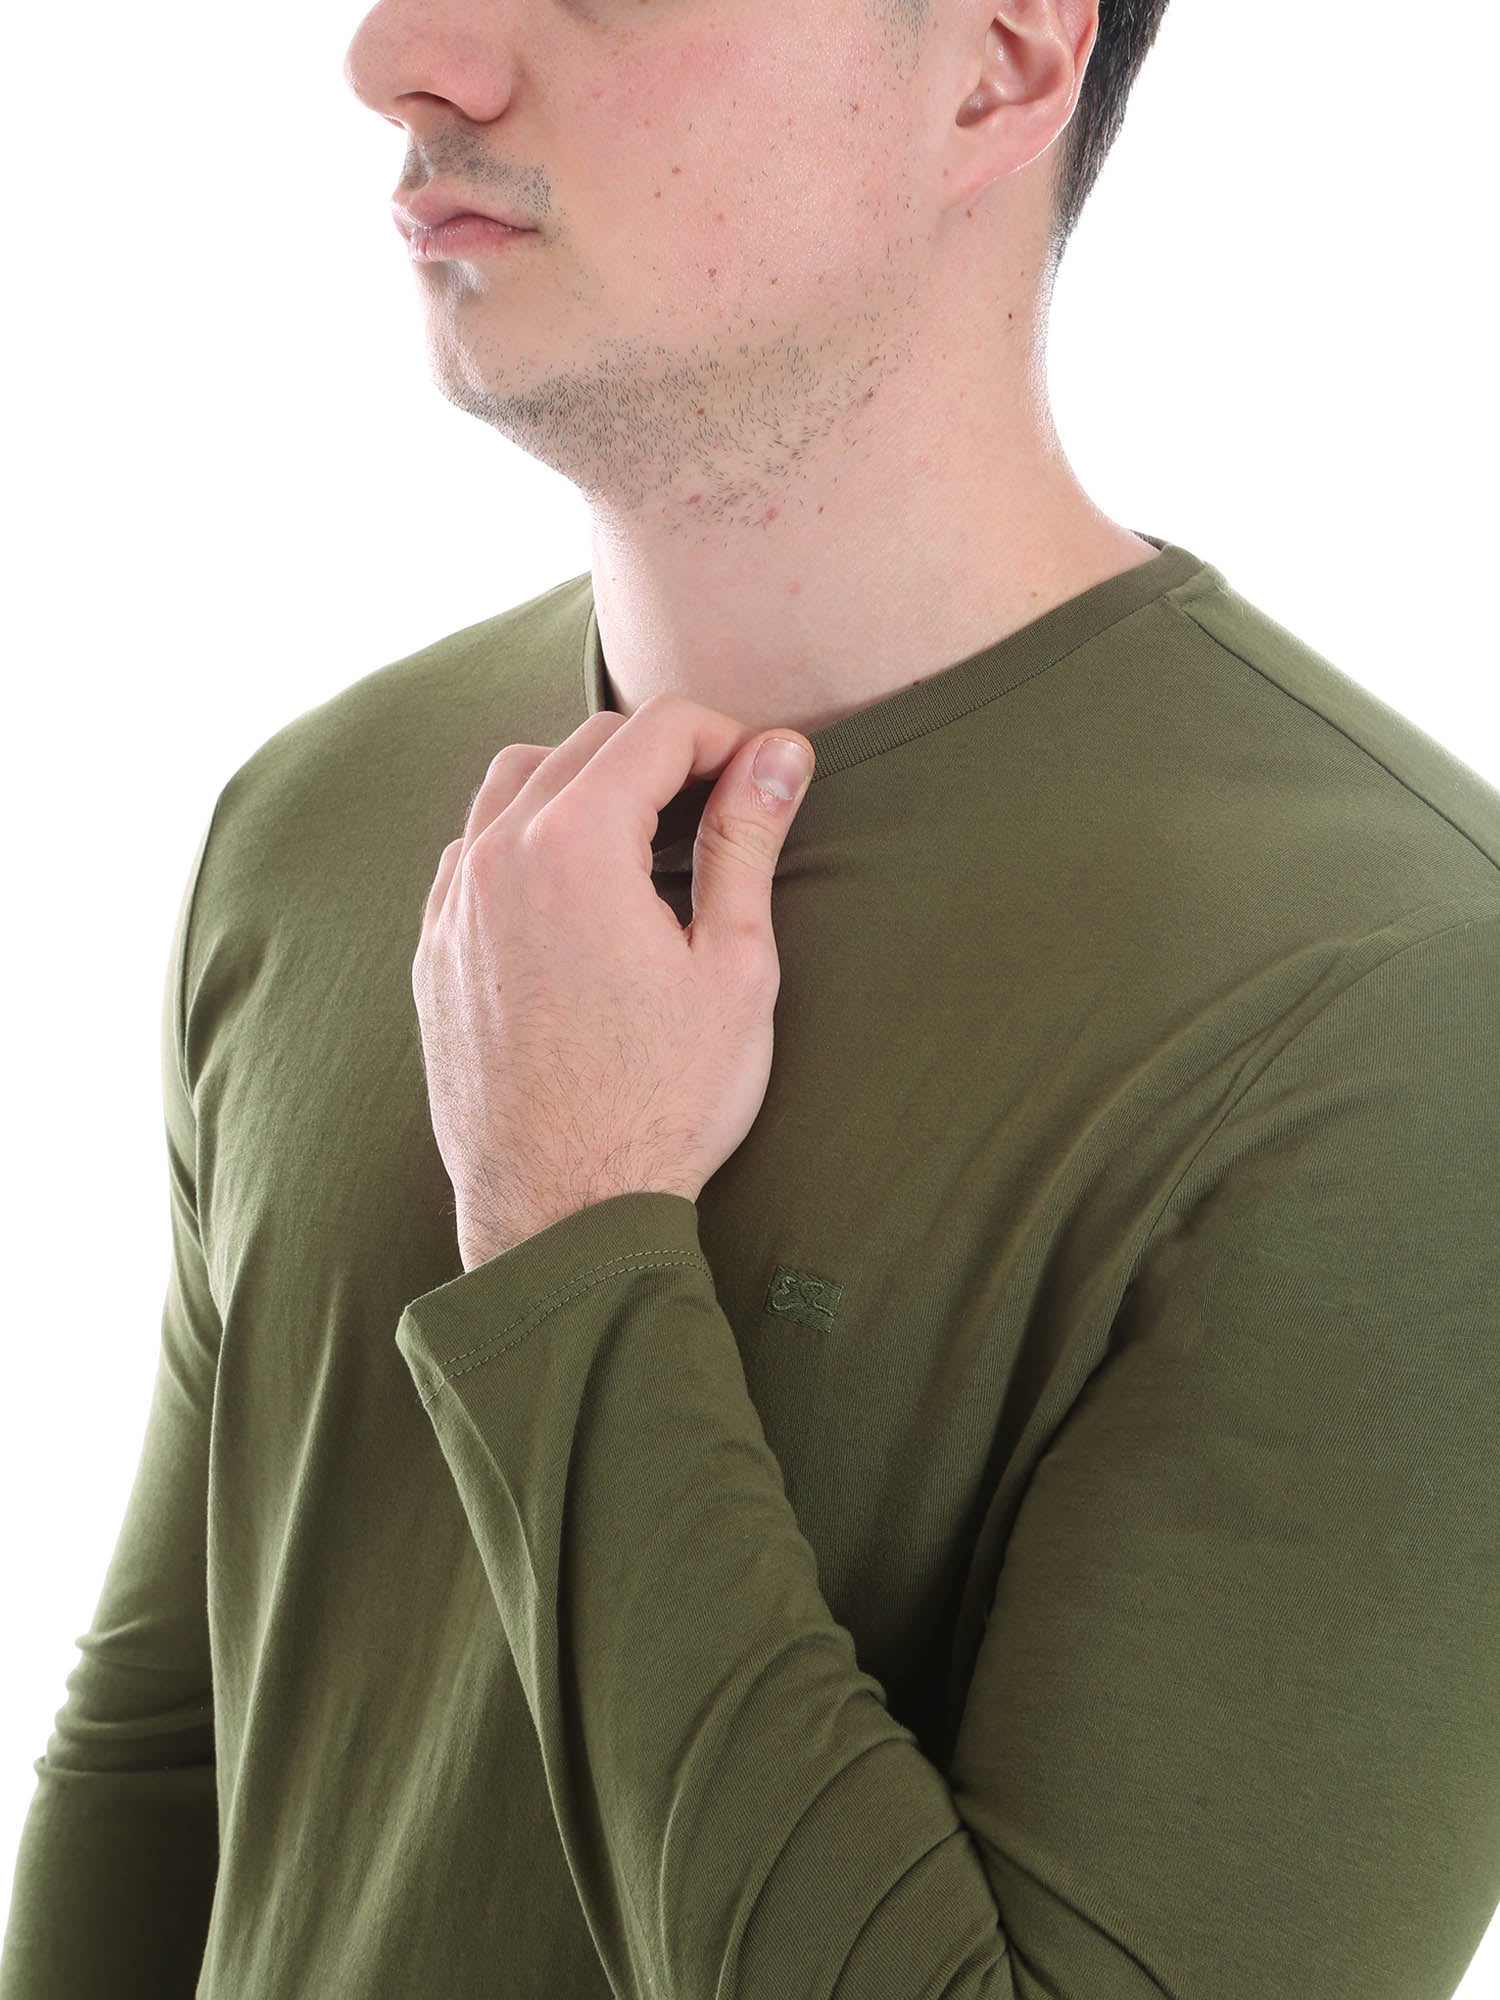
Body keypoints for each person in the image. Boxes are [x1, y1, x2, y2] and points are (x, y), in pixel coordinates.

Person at [3, 0, 1497, 1994]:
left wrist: (575, 1224)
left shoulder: (1403, 1014)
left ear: (995, 62)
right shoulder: (319, 820)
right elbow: (171, 1764)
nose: (399, 54)